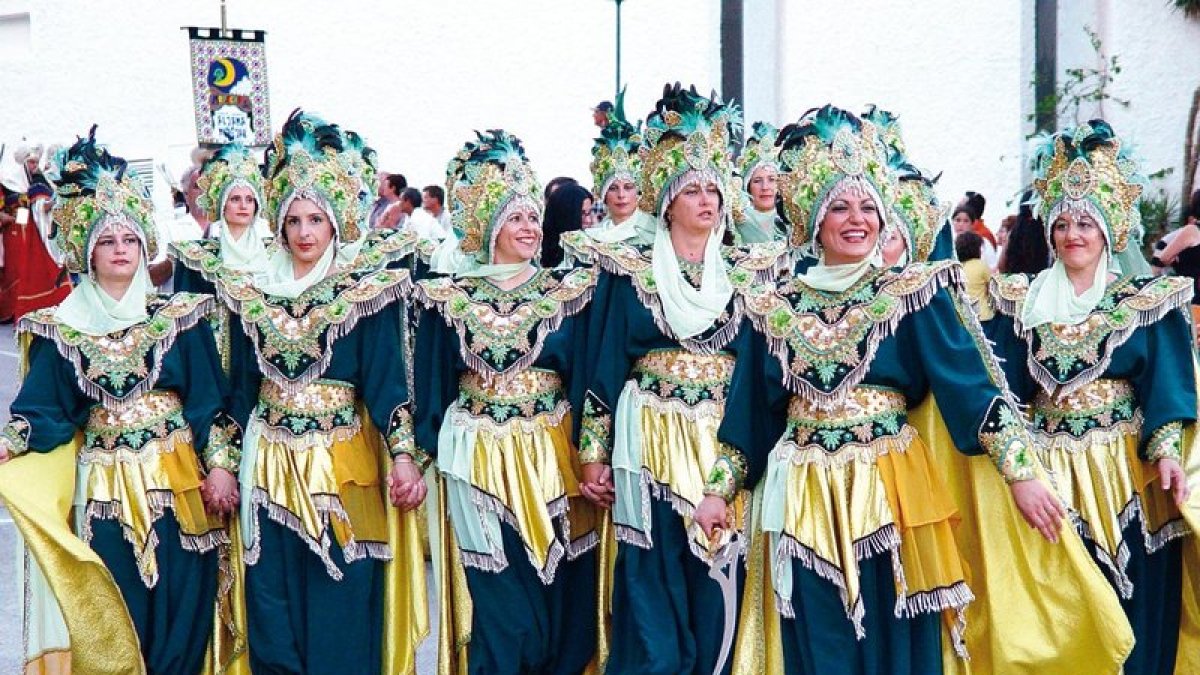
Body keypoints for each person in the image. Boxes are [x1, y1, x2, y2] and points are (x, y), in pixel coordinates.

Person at [194, 110, 427, 673]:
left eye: (315, 220)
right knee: (271, 609)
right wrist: (222, 465)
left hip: (344, 470)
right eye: (293, 220)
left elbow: (388, 384)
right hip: (267, 464)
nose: (303, 232)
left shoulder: (366, 292)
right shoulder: (250, 295)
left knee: (342, 603)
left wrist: (403, 457)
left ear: (336, 224)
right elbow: (236, 392)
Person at [0, 127, 239, 673]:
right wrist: (14, 444)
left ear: (144, 244)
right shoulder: (62, 330)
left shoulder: (180, 319)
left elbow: (208, 401)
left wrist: (221, 466)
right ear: (87, 251)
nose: (120, 251)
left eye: (129, 239)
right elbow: (43, 411)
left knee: (186, 609)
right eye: (107, 242)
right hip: (106, 489)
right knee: (119, 609)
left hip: (180, 483)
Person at [577, 83, 785, 675]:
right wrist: (592, 453)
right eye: (691, 189)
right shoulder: (629, 272)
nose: (706, 201)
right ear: (666, 201)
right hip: (646, 435)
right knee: (648, 576)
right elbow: (604, 363)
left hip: (723, 435)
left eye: (714, 189)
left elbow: (762, 369)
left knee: (720, 575)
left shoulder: (752, 274)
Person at [988, 120, 1200, 675]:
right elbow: (1001, 389)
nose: (1073, 234)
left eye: (1086, 222)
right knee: (1063, 613)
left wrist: (1168, 451)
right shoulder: (1020, 302)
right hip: (1049, 474)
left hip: (1124, 472)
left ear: (1110, 230)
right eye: (1063, 223)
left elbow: (1168, 387)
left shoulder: (1144, 302)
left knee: (1135, 604)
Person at [413, 130, 600, 673]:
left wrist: (593, 452)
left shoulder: (568, 294)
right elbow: (430, 388)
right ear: (489, 226)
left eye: (532, 217)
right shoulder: (449, 298)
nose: (529, 228)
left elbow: (585, 382)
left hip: (553, 463)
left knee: (559, 598)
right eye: (515, 218)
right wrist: (413, 458)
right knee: (499, 602)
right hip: (477, 461)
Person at [562, 93, 656, 264]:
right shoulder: (590, 239)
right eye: (613, 188)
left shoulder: (657, 233)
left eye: (628, 187)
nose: (621, 195)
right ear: (603, 194)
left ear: (639, 190)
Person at [172, 144, 273, 296]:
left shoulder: (272, 251)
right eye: (235, 199)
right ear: (222, 204)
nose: (243, 206)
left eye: (250, 199)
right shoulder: (198, 257)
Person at [0, 150, 71, 321]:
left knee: (33, 269)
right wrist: (11, 218)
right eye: (31, 162)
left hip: (31, 233)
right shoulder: (7, 184)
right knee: (15, 271)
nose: (34, 166)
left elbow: (38, 208)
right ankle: (10, 310)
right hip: (12, 235)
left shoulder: (34, 183)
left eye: (35, 162)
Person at [733, 122, 786, 244]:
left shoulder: (793, 224)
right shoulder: (735, 222)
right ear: (748, 187)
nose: (765, 187)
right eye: (757, 181)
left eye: (772, 180)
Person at [541, 182, 594, 268]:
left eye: (589, 213)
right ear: (565, 215)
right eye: (582, 214)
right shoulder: (534, 250)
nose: (588, 221)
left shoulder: (594, 251)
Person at [956, 230, 993, 319]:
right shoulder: (982, 265)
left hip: (963, 316)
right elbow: (991, 289)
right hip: (982, 314)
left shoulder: (956, 267)